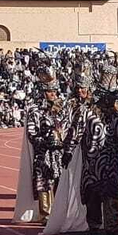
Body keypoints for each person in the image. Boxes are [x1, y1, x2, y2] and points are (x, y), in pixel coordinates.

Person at [80, 88, 118, 235]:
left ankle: (112, 224)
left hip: (113, 162)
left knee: (112, 193)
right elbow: (75, 132)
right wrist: (68, 150)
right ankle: (94, 224)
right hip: (92, 162)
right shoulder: (88, 115)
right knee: (92, 193)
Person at [23, 83, 72, 224]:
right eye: (50, 91)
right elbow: (31, 133)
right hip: (43, 153)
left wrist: (63, 140)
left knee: (59, 182)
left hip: (59, 153)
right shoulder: (35, 111)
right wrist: (45, 140)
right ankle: (45, 214)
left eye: (55, 91)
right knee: (43, 183)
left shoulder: (62, 109)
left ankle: (59, 212)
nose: (53, 94)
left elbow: (67, 127)